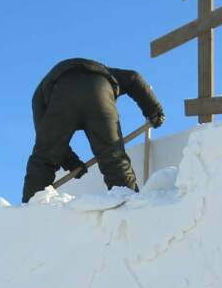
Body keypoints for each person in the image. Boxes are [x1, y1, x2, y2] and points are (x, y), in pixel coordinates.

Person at [22, 58, 164, 203]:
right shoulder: (107, 72)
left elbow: (47, 140)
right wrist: (154, 110)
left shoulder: (39, 95)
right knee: (114, 158)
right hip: (100, 91)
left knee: (44, 159)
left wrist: (71, 162)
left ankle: (32, 205)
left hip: (62, 94)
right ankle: (127, 202)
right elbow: (134, 77)